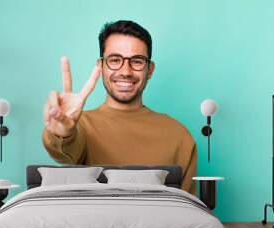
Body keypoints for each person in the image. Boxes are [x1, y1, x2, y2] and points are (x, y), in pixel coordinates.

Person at [42, 20, 197, 195]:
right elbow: (63, 152)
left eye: (137, 61)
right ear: (101, 67)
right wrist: (62, 133)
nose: (126, 71)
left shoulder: (179, 135)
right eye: (115, 60)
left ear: (150, 70)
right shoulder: (81, 125)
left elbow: (188, 211)